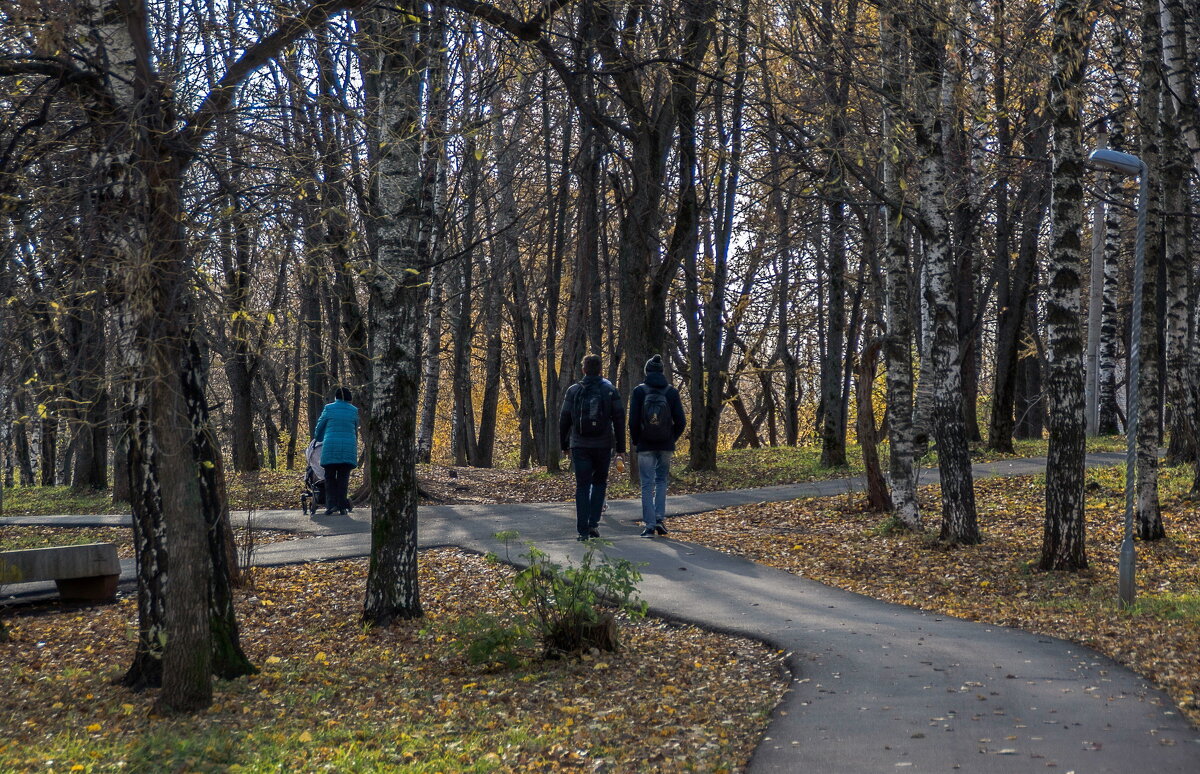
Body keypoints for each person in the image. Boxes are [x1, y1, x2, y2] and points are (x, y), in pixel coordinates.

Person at [560, 354, 625, 541]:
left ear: (583, 370)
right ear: (600, 370)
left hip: (579, 445)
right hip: (603, 445)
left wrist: (564, 444)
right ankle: (593, 524)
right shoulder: (610, 390)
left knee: (582, 486)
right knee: (599, 484)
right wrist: (621, 447)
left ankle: (582, 531)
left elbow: (564, 419)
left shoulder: (573, 390)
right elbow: (619, 419)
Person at [629, 354, 686, 537]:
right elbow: (681, 421)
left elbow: (633, 421)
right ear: (662, 371)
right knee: (661, 481)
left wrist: (637, 440)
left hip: (645, 445)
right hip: (665, 444)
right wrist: (671, 438)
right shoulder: (671, 392)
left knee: (646, 484)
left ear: (646, 372)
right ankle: (660, 520)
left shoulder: (639, 392)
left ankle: (649, 525)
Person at [312, 386, 359, 516]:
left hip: (331, 447)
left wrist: (319, 438)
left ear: (336, 397)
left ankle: (331, 505)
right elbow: (355, 429)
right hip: (348, 448)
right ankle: (342, 506)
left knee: (330, 477)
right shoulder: (354, 411)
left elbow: (319, 428)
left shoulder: (329, 408)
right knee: (343, 478)